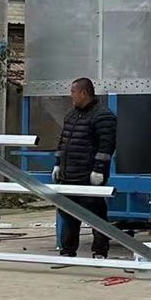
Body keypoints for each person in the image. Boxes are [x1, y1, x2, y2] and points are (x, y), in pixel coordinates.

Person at [52, 77, 117, 259]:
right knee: (68, 214)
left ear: (83, 93)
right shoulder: (71, 115)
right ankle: (68, 251)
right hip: (68, 174)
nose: (71, 96)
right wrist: (58, 164)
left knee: (95, 215)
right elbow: (63, 141)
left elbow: (107, 146)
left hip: (87, 175)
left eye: (73, 92)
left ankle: (100, 251)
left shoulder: (103, 116)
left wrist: (99, 170)